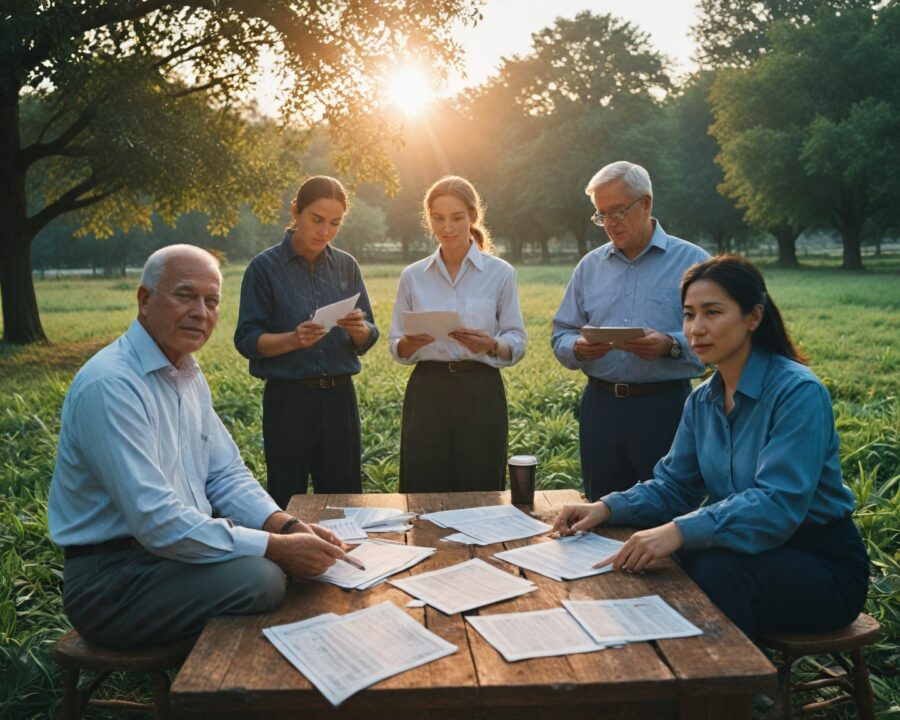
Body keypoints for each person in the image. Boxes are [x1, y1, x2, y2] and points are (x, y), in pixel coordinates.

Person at [48, 245, 355, 649]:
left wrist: (288, 526)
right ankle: (220, 686)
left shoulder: (187, 373)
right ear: (145, 300)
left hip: (169, 558)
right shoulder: (111, 385)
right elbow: (155, 520)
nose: (201, 312)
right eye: (185, 295)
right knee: (262, 578)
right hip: (113, 581)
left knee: (278, 568)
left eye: (211, 301)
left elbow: (225, 475)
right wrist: (277, 548)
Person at [551, 256, 869, 641]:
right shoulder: (702, 401)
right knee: (659, 556)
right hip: (746, 550)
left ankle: (735, 694)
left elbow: (778, 504)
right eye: (688, 315)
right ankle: (664, 672)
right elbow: (674, 485)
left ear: (753, 317)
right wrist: (604, 508)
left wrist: (679, 531)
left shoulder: (797, 392)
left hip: (820, 562)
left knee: (711, 568)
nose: (695, 329)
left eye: (712, 313)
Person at [551, 161, 710, 502]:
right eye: (602, 214)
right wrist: (578, 348)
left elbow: (718, 339)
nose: (610, 223)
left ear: (647, 203)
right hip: (601, 408)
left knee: (667, 514)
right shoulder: (589, 266)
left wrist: (670, 346)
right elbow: (561, 332)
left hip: (665, 409)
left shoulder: (693, 262)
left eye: (619, 211)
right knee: (600, 513)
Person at [234, 176, 378, 508]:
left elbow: (369, 333)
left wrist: (359, 329)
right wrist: (292, 339)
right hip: (288, 401)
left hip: (340, 399)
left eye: (334, 223)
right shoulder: (264, 268)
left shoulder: (346, 265)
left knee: (346, 503)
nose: (324, 231)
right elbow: (246, 339)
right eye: (316, 220)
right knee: (287, 498)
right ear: (296, 211)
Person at [388, 175, 527, 492]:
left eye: (456, 217)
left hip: (481, 389)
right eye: (438, 218)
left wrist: (492, 344)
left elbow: (517, 342)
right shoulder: (413, 276)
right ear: (429, 218)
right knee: (422, 486)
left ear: (473, 217)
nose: (446, 227)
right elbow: (396, 346)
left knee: (480, 486)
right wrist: (409, 344)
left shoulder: (500, 274)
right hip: (427, 390)